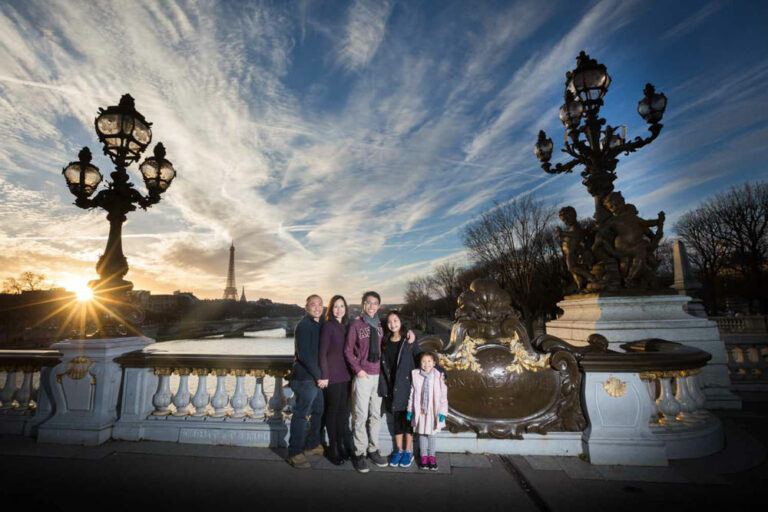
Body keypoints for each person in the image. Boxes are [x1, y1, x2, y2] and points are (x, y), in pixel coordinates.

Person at [286, 294, 325, 469]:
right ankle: (294, 452)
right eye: (313, 304)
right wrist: (319, 376)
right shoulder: (303, 325)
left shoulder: (319, 323)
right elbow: (305, 356)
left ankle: (311, 444)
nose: (317, 307)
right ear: (306, 307)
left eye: (320, 304)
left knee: (319, 410)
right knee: (301, 414)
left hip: (315, 377)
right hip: (305, 378)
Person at [378, 310, 420, 468]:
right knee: (396, 420)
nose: (392, 324)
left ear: (401, 322)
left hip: (407, 386)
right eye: (389, 322)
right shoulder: (386, 341)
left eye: (395, 320)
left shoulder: (408, 340)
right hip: (391, 386)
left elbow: (420, 357)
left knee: (407, 419)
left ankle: (408, 451)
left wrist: (438, 371)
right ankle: (399, 450)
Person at [318, 295, 353, 466]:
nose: (339, 309)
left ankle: (340, 444)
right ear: (331, 309)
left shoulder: (346, 326)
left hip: (346, 375)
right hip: (331, 376)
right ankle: (333, 448)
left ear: (346, 308)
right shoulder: (328, 326)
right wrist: (324, 375)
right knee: (332, 412)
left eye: (342, 306)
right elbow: (322, 353)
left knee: (342, 413)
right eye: (335, 306)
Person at [407, 351, 448, 471]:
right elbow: (412, 394)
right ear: (420, 363)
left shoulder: (439, 376)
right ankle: (423, 457)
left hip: (432, 411)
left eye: (429, 361)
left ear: (434, 363)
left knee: (431, 434)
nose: (426, 364)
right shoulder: (416, 375)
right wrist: (410, 410)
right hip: (421, 411)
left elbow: (443, 396)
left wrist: (442, 412)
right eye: (423, 361)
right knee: (422, 434)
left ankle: (432, 457)